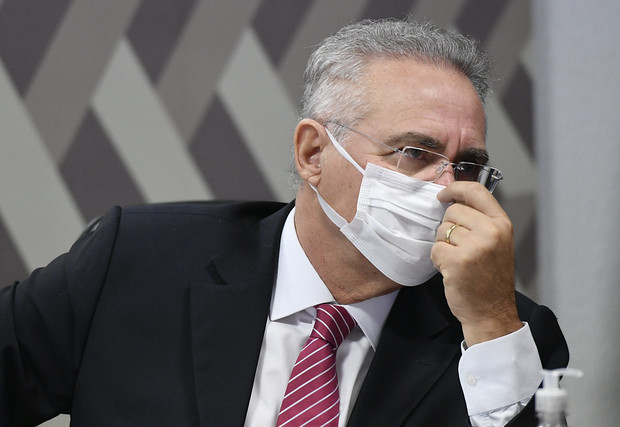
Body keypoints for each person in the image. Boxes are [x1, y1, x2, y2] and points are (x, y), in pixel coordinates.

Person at [0, 18, 568, 426]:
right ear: (312, 154)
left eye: (467, 166)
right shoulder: (137, 260)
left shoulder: (506, 336)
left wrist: (492, 321)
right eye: (415, 153)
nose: (447, 189)